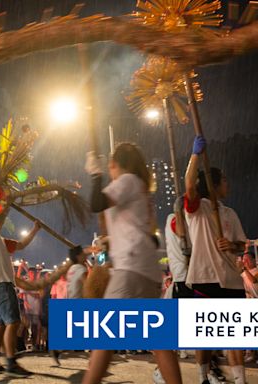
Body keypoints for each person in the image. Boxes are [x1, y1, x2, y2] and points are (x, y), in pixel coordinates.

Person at [83, 143, 182, 384]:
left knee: (103, 337)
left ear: (116, 165)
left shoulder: (126, 181)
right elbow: (145, 234)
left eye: (110, 167)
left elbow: (96, 203)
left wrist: (95, 176)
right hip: (148, 272)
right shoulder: (140, 189)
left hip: (130, 270)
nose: (110, 171)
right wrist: (112, 241)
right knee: (158, 341)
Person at [184, 136, 247, 384]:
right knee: (205, 337)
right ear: (214, 184)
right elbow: (189, 184)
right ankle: (202, 377)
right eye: (224, 180)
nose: (227, 184)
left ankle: (240, 380)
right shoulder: (197, 209)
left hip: (232, 281)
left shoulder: (230, 213)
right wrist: (195, 155)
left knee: (235, 336)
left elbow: (242, 244)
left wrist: (232, 245)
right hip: (204, 278)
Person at [0, 188, 40, 377]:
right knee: (13, 323)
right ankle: (11, 363)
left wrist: (35, 229)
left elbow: (21, 245)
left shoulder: (0, 240)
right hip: (2, 284)